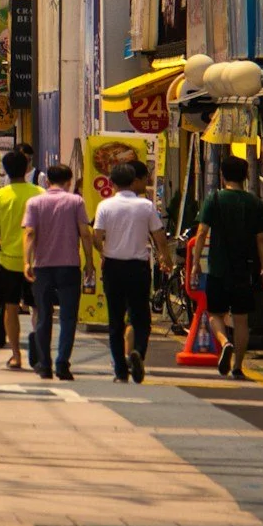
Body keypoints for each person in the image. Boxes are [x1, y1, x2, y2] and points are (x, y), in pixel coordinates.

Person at [196, 155, 263, 380]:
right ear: (246, 176)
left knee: (214, 314)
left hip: (218, 268)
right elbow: (261, 240)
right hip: (244, 269)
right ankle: (238, 367)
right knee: (241, 320)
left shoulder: (215, 199)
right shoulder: (255, 203)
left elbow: (201, 233)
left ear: (222, 176)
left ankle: (224, 341)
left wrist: (194, 265)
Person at [91, 161, 169, 383]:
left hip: (113, 266)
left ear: (112, 183)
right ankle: (138, 353)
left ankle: (120, 371)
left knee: (115, 320)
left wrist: (103, 251)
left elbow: (97, 236)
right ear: (133, 180)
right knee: (141, 316)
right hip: (138, 267)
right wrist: (165, 258)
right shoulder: (145, 206)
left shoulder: (105, 206)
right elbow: (159, 237)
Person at [22, 164, 95, 380]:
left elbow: (30, 233)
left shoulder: (34, 202)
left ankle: (44, 365)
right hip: (69, 266)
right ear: (69, 181)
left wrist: (27, 262)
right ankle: (62, 364)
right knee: (68, 317)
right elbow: (85, 233)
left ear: (47, 182)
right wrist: (89, 261)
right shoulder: (76, 202)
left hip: (42, 267)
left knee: (43, 316)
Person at [0, 148, 41, 370]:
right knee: (38, 308)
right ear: (27, 167)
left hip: (8, 261)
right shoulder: (40, 193)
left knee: (10, 308)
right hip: (37, 261)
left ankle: (16, 355)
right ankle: (39, 350)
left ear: (6, 170)